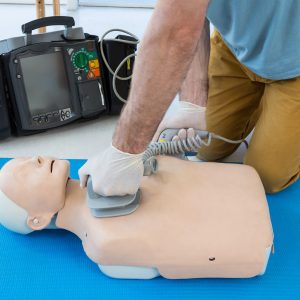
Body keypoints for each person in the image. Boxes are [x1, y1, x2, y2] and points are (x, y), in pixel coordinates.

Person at [79, 0, 300, 197]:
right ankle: (263, 102)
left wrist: (124, 150)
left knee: (264, 178)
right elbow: (191, 13)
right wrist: (193, 102)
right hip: (240, 45)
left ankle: (272, 102)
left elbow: (176, 33)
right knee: (208, 147)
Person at [0, 156, 273, 279]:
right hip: (252, 245)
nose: (34, 160)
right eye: (25, 174)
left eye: (25, 159)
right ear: (37, 220)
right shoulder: (104, 242)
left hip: (239, 191)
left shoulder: (107, 164)